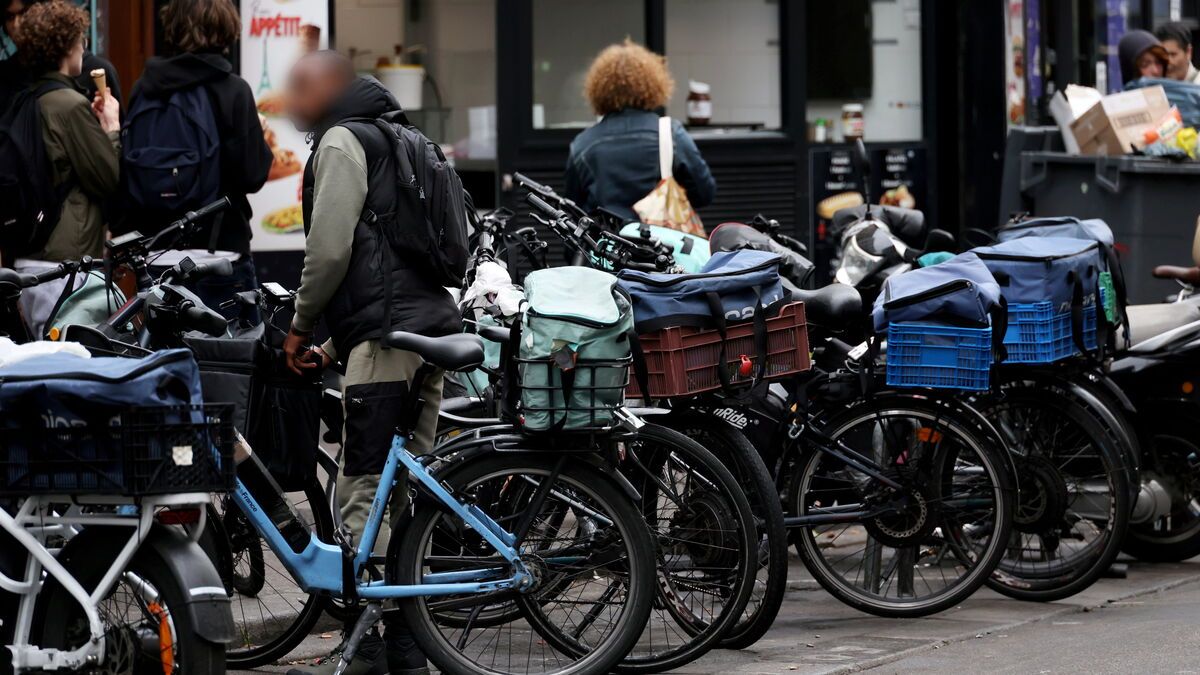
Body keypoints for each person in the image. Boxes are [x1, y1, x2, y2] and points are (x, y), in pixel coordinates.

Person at [281, 51, 457, 675]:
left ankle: (373, 645)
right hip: (427, 331)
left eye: (300, 90)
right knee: (402, 490)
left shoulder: (342, 141)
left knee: (362, 489)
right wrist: (336, 345)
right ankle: (410, 647)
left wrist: (302, 327)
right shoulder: (399, 135)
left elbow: (330, 252)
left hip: (389, 340)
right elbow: (390, 257)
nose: (290, 102)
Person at [119, 0, 271, 318]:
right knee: (231, 363)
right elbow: (253, 175)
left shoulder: (144, 90)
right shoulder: (234, 91)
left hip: (158, 256)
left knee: (166, 364)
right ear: (226, 27)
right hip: (221, 256)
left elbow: (129, 171)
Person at [564, 39, 715, 224]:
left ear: (597, 91)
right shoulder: (670, 134)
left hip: (606, 247)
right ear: (654, 85)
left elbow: (573, 217)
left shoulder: (583, 145)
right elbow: (704, 194)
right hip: (661, 246)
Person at [1, 0, 121, 110]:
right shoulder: (7, 74)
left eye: (24, 13)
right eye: (10, 17)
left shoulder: (94, 69)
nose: (16, 25)